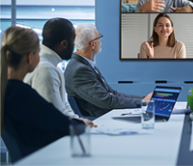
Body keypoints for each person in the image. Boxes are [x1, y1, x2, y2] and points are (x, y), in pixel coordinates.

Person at [0, 26, 93, 162]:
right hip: (47, 159)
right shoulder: (22, 94)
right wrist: (82, 124)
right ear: (30, 57)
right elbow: (62, 125)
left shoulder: (8, 91)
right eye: (38, 53)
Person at [65, 23, 152, 117]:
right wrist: (142, 102)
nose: (101, 40)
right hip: (99, 120)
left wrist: (144, 99)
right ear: (92, 45)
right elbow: (107, 101)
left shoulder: (85, 65)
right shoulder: (79, 70)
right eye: (99, 38)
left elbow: (112, 94)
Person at [24, 18, 94, 125]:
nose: (75, 46)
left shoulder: (52, 66)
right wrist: (82, 125)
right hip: (51, 139)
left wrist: (82, 122)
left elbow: (64, 106)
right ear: (64, 44)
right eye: (73, 41)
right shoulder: (45, 69)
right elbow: (55, 117)